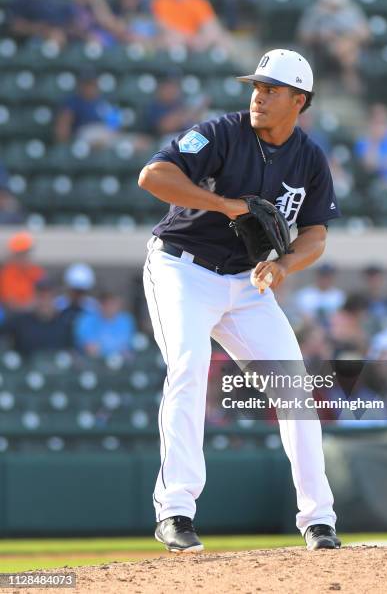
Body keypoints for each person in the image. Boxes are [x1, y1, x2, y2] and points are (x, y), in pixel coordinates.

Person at [138, 49, 342, 552]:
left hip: (247, 284)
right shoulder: (222, 132)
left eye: (272, 90)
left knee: (294, 388)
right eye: (256, 86)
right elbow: (153, 176)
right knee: (188, 367)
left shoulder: (309, 157)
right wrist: (225, 204)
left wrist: (284, 264)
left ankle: (318, 521)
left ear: (300, 100)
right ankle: (176, 510)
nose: (259, 96)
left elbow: (316, 232)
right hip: (181, 267)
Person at [297, 0, 370, 93]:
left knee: (347, 48)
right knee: (347, 50)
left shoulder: (352, 10)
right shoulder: (315, 11)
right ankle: (351, 77)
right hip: (325, 46)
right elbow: (303, 36)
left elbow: (366, 34)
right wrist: (321, 35)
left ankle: (348, 74)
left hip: (351, 44)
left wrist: (350, 36)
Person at [0, 277, 74, 356]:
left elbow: (71, 353)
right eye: (41, 297)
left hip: (56, 366)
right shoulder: (20, 322)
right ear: (35, 297)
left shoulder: (65, 324)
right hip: (26, 367)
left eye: (49, 297)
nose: (45, 302)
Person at [151, 0, 232, 52]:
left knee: (223, 39)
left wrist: (204, 38)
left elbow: (211, 26)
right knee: (170, 39)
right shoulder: (162, 1)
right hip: (175, 38)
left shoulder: (199, 2)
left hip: (195, 39)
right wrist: (189, 39)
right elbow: (163, 26)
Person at [9, 0, 77, 48]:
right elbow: (16, 27)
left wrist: (59, 32)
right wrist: (44, 31)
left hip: (59, 37)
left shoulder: (51, 0)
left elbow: (71, 23)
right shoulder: (20, 1)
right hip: (30, 41)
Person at [142, 77, 210, 139]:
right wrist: (194, 110)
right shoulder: (155, 106)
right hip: (164, 141)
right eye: (168, 88)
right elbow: (166, 127)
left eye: (174, 87)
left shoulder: (180, 103)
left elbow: (196, 122)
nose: (172, 91)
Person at [74, 291, 136, 358]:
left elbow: (130, 345)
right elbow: (90, 348)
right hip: (94, 361)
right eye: (108, 304)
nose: (111, 307)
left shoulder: (126, 320)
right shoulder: (86, 320)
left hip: (121, 362)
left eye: (114, 304)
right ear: (101, 304)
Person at [0, 231, 44, 312]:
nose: (24, 257)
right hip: (13, 315)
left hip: (35, 314)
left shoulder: (36, 271)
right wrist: (28, 306)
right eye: (21, 254)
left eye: (26, 253)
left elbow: (44, 294)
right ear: (14, 255)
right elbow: (9, 302)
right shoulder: (7, 274)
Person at [294, 262, 345, 327]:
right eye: (323, 275)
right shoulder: (304, 295)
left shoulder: (339, 296)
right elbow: (300, 315)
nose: (325, 279)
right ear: (317, 275)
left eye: (328, 276)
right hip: (309, 329)